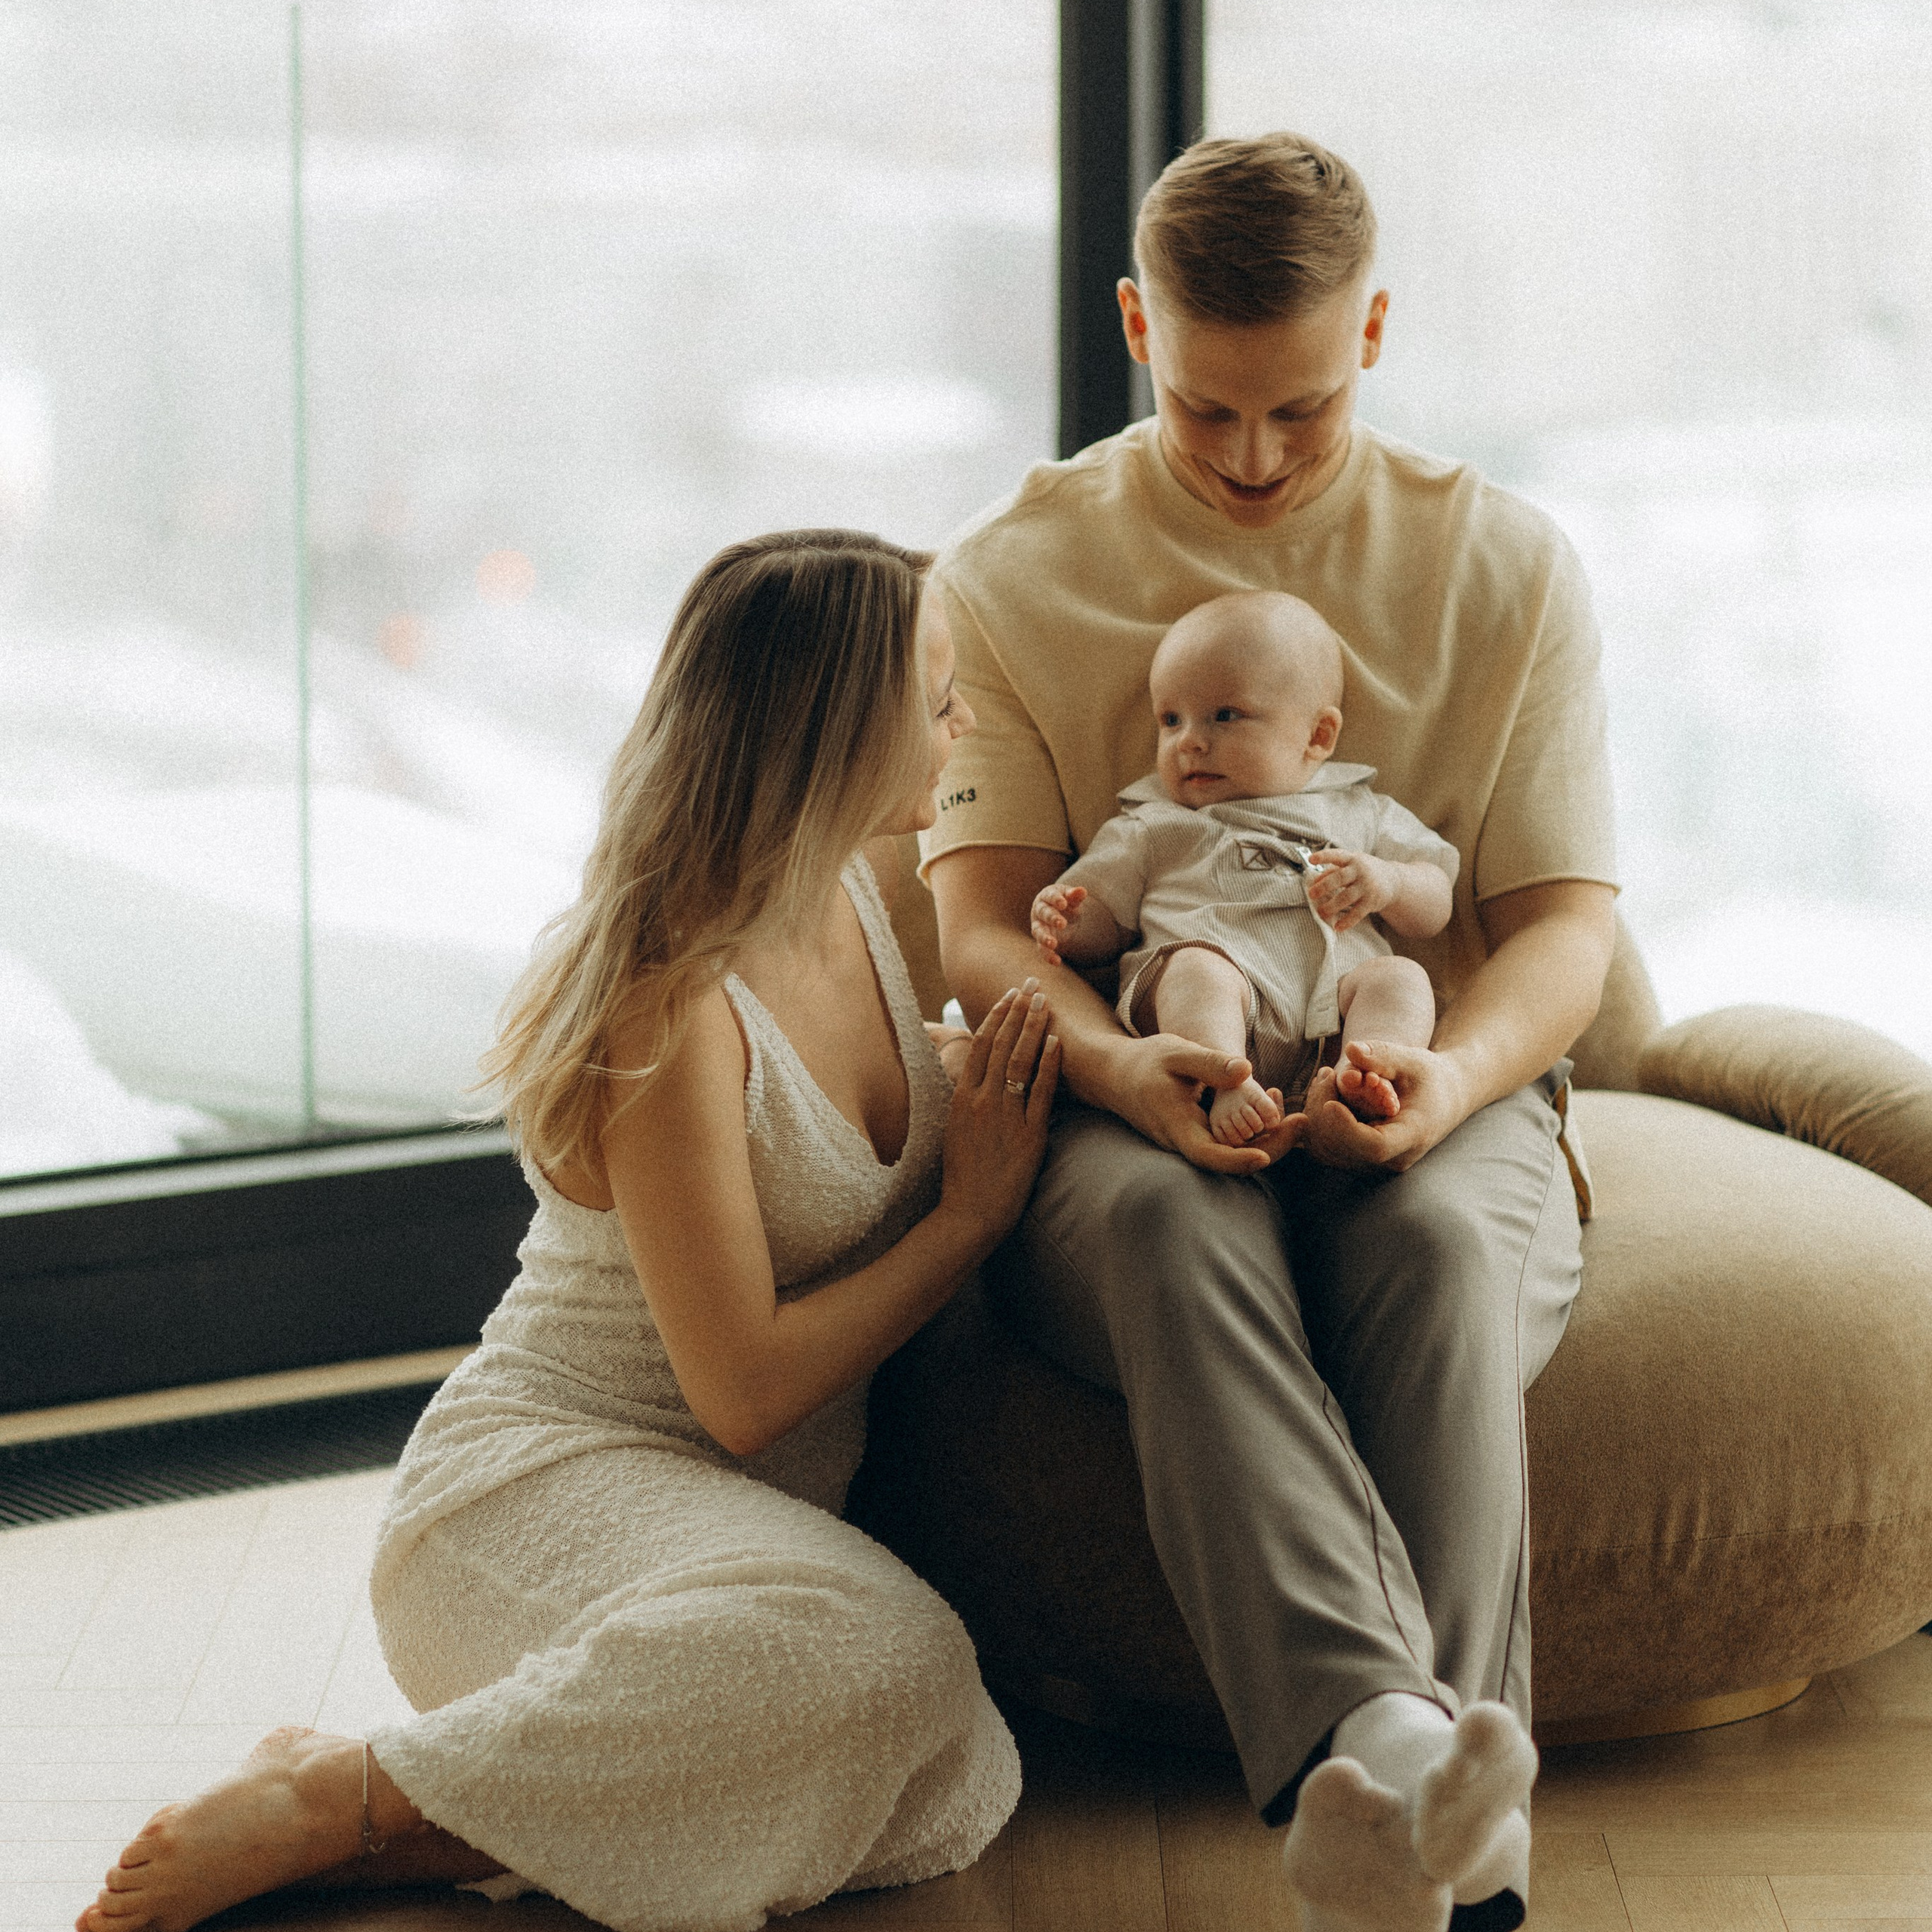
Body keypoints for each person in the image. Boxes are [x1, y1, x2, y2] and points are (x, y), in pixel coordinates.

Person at [75, 530, 1061, 1932]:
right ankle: (338, 1800)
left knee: (943, 1776)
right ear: (837, 725)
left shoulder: (852, 891)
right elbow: (745, 1393)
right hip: (533, 1496)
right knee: (895, 1666)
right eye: (939, 691)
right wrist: (967, 1220)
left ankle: (363, 1803)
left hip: (734, 1561)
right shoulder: (671, 1005)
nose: (962, 724)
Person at [922, 133, 1618, 1932]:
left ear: (1373, 328)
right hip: (1128, 1078)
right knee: (1162, 1219)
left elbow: (1558, 932)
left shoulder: (1505, 566)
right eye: (1202, 404)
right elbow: (985, 915)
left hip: (1426, 1068)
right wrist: (1113, 1064)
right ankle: (1423, 1787)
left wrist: (1448, 1078)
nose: (1246, 459)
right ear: (1135, 324)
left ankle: (1394, 1820)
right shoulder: (1007, 569)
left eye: (1296, 411)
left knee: (1441, 1243)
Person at [1029, 588, 1455, 1144]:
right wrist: (1068, 923)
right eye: (1171, 719)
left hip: (1338, 1017)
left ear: (1318, 736)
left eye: (1224, 716)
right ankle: (1224, 1078)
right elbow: (1105, 924)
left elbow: (1435, 902)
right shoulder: (1155, 823)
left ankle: (1367, 1075)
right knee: (1196, 970)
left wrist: (1390, 882)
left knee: (1402, 978)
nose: (1190, 742)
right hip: (1222, 1010)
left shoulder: (1360, 809)